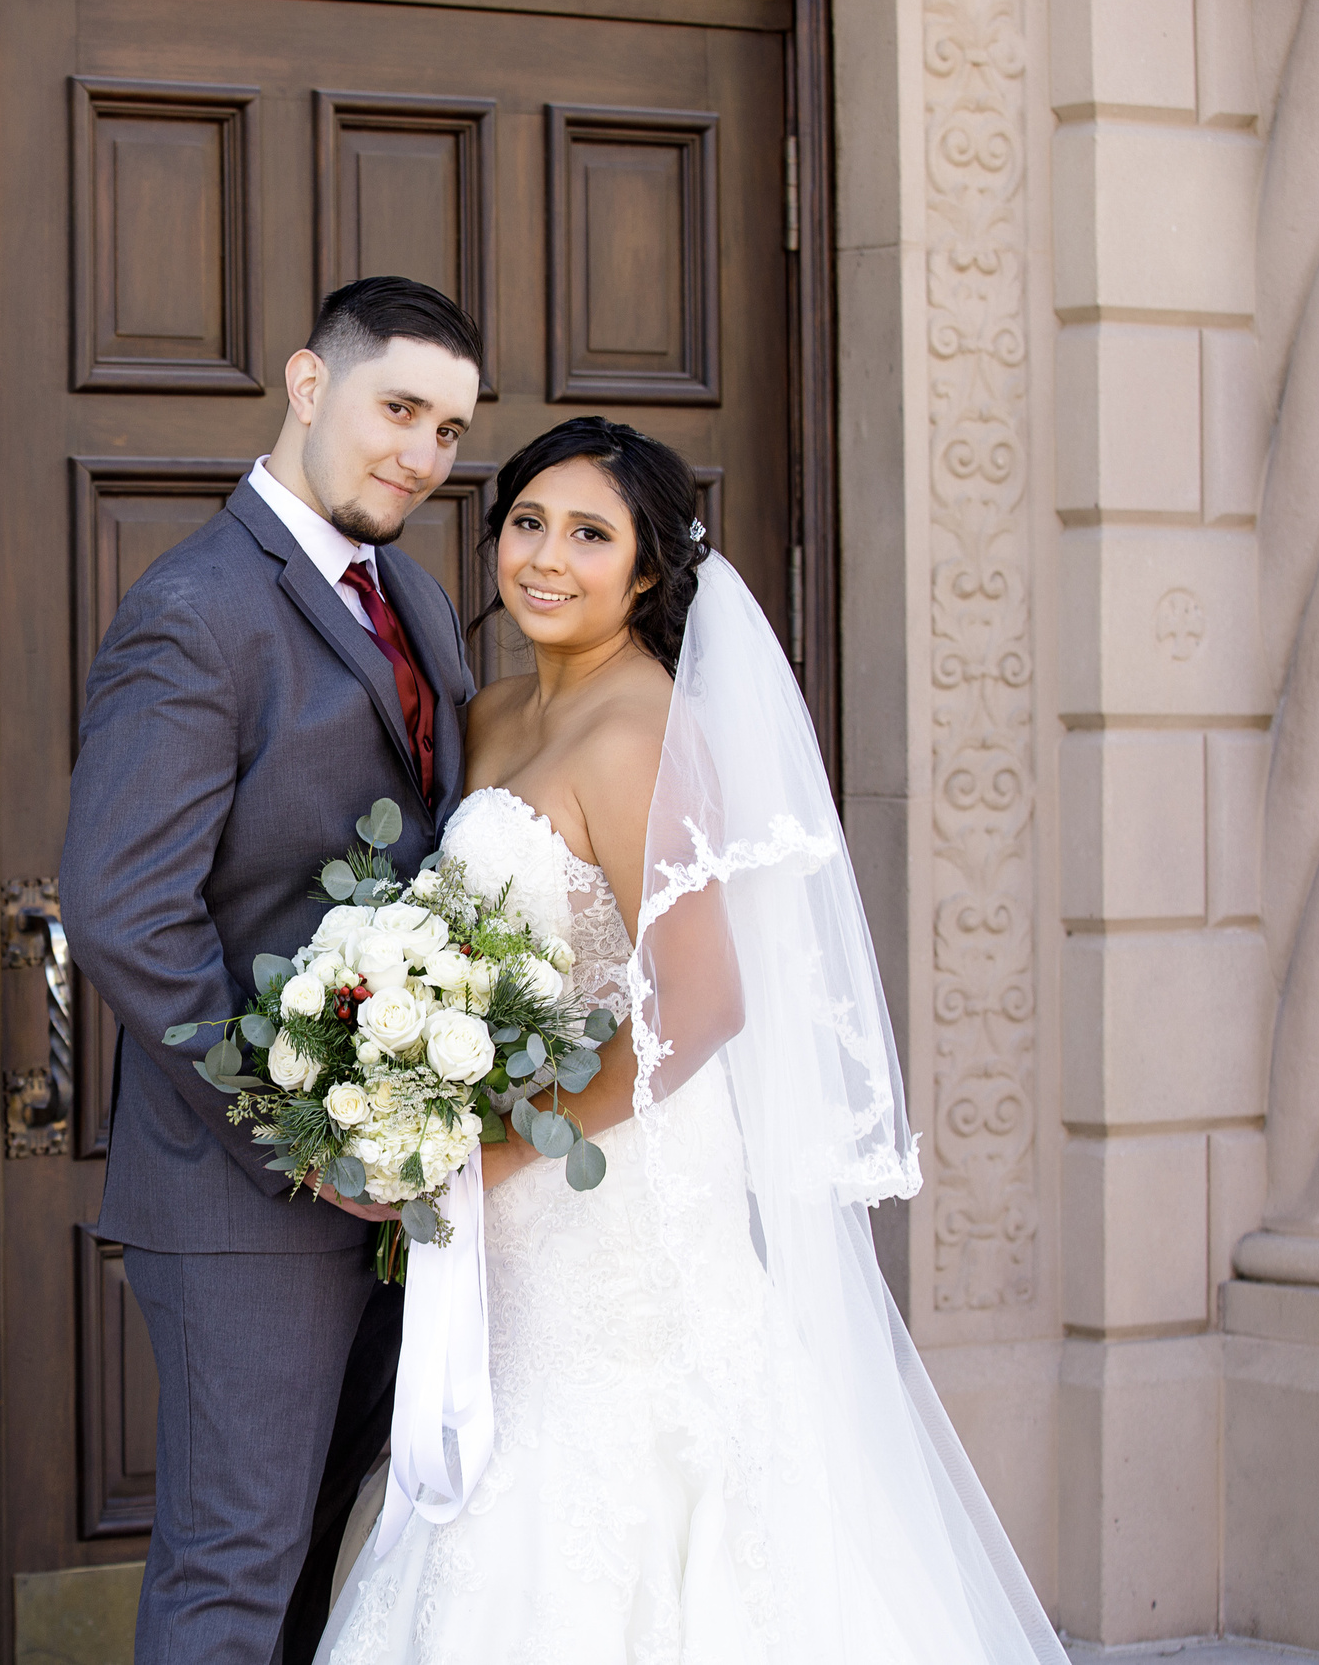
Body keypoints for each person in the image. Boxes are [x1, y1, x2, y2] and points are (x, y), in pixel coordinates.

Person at [315, 417, 1069, 1664]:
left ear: (650, 574)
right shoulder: (488, 712)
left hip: (622, 1191)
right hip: (518, 1192)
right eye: (527, 524)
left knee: (618, 1478)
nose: (547, 559)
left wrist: (495, 1148)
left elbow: (703, 1006)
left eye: (590, 536)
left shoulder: (639, 732)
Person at [59, 277, 484, 1665]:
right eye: (398, 409)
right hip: (247, 1191)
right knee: (231, 1572)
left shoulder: (407, 588)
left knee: (307, 1558)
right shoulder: (199, 605)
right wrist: (300, 1138)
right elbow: (125, 905)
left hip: (385, 1193)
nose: (422, 456)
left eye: (451, 432)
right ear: (310, 385)